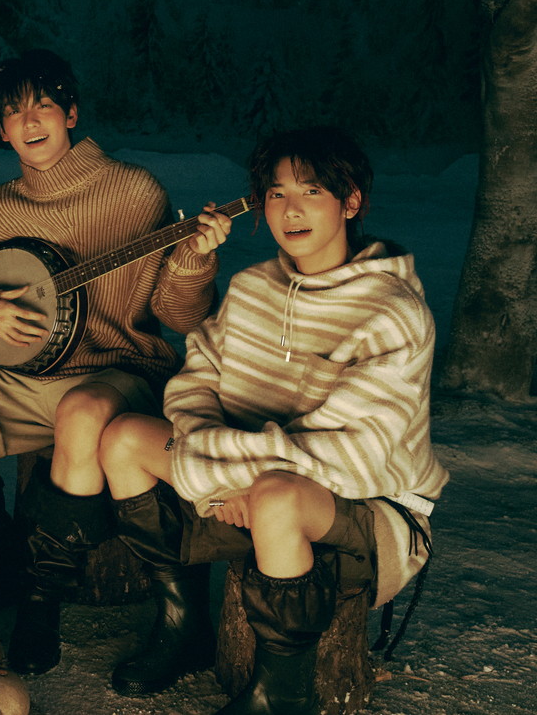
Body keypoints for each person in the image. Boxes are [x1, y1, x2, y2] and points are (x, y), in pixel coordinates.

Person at [0, 49, 231, 675]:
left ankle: (42, 599)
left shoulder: (134, 191)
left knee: (80, 410)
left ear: (71, 113)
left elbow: (179, 317)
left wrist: (194, 262)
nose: (30, 121)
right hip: (22, 378)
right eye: (14, 112)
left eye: (44, 105)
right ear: (1, 130)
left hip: (117, 375)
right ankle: (2, 552)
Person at [98, 126, 448, 713]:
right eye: (277, 193)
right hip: (243, 479)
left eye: (311, 191)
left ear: (351, 201)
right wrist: (222, 472)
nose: (291, 209)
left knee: (276, 496)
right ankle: (182, 624)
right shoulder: (251, 288)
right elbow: (194, 381)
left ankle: (282, 693)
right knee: (125, 438)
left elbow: (354, 457)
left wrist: (226, 476)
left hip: (371, 510)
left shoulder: (393, 313)